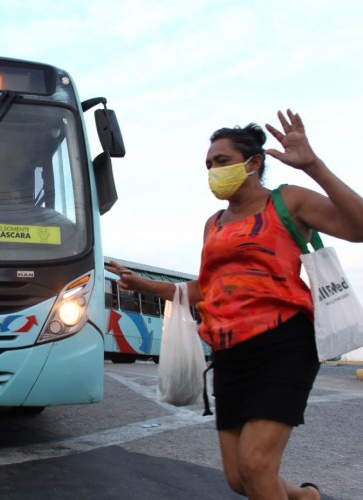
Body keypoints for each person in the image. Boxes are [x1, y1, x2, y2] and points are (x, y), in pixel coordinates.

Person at [106, 109, 363, 500]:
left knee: (257, 467)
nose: (213, 171)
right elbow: (207, 289)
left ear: (254, 163)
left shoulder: (286, 201)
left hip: (283, 344)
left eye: (221, 161)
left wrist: (314, 166)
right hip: (228, 351)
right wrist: (145, 285)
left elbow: (358, 227)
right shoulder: (215, 223)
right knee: (239, 478)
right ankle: (305, 497)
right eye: (208, 164)